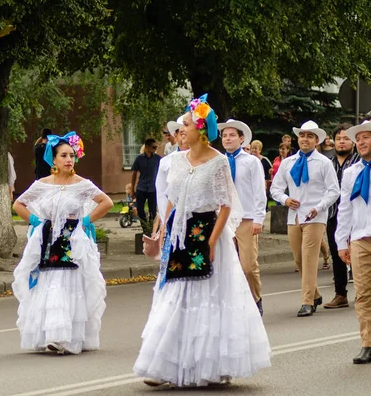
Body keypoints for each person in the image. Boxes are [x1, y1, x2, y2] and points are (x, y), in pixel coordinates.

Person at [134, 94, 271, 388]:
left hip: (206, 234)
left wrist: (211, 241)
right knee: (173, 296)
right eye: (181, 125)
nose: (180, 129)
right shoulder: (177, 161)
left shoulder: (219, 162)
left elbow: (226, 205)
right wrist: (161, 233)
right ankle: (164, 365)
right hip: (179, 235)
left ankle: (210, 365)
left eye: (185, 124)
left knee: (208, 299)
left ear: (200, 129)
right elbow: (171, 199)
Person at [12, 131, 113, 355]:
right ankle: (48, 334)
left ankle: (67, 337)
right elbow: (19, 204)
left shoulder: (82, 184)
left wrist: (85, 221)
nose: (69, 159)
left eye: (72, 155)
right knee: (48, 282)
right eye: (64, 155)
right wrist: (36, 221)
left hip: (72, 240)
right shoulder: (42, 184)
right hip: (48, 239)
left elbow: (106, 202)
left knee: (69, 282)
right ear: (54, 159)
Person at [270, 120, 339, 317]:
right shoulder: (288, 162)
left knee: (309, 259)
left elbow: (333, 191)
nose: (305, 139)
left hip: (315, 217)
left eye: (310, 136)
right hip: (294, 216)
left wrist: (319, 207)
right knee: (299, 259)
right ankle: (315, 294)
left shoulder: (324, 163)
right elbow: (275, 188)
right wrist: (285, 199)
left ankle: (307, 301)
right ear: (297, 139)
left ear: (316, 140)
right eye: (302, 135)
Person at [219, 119, 267, 315]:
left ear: (241, 139)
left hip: (246, 219)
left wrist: (258, 218)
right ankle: (235, 304)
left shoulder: (252, 162)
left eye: (232, 135)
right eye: (224, 135)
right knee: (228, 266)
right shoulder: (218, 161)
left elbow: (259, 191)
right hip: (224, 219)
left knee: (247, 265)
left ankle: (256, 299)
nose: (227, 139)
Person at [335, 120, 371, 364]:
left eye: (366, 137)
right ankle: (367, 344)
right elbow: (344, 209)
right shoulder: (351, 173)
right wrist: (341, 242)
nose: (361, 142)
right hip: (360, 239)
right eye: (359, 139)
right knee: (363, 294)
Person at [324, 123, 358, 309]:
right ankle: (340, 294)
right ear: (333, 141)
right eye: (339, 139)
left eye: (346, 138)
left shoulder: (358, 162)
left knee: (358, 254)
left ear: (352, 142)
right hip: (333, 214)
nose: (342, 142)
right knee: (338, 253)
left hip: (356, 216)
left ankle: (362, 292)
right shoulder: (328, 163)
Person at [131, 138, 162, 229]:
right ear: (147, 147)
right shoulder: (139, 159)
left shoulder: (158, 159)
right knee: (140, 209)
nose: (155, 149)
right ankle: (145, 227)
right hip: (141, 187)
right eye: (153, 147)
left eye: (156, 147)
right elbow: (134, 174)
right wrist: (132, 189)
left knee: (152, 210)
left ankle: (152, 228)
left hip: (153, 188)